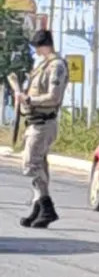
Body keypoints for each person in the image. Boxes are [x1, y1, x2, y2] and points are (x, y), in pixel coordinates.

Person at [16, 29, 68, 229]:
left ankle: (47, 207)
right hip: (34, 122)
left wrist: (29, 100)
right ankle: (39, 208)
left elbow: (53, 97)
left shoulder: (56, 66)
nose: (36, 51)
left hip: (44, 122)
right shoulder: (42, 66)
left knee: (31, 165)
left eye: (37, 47)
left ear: (44, 45)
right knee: (39, 166)